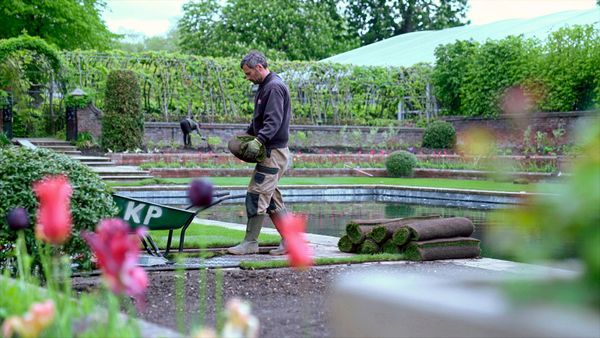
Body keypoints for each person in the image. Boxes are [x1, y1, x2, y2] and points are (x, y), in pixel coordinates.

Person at [227, 50, 291, 256]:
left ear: (260, 68)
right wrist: (247, 135)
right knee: (271, 198)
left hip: (273, 152)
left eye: (248, 73)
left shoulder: (273, 87)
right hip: (272, 151)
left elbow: (273, 122)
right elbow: (260, 119)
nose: (247, 78)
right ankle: (291, 242)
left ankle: (250, 242)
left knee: (256, 194)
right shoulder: (266, 86)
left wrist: (259, 141)